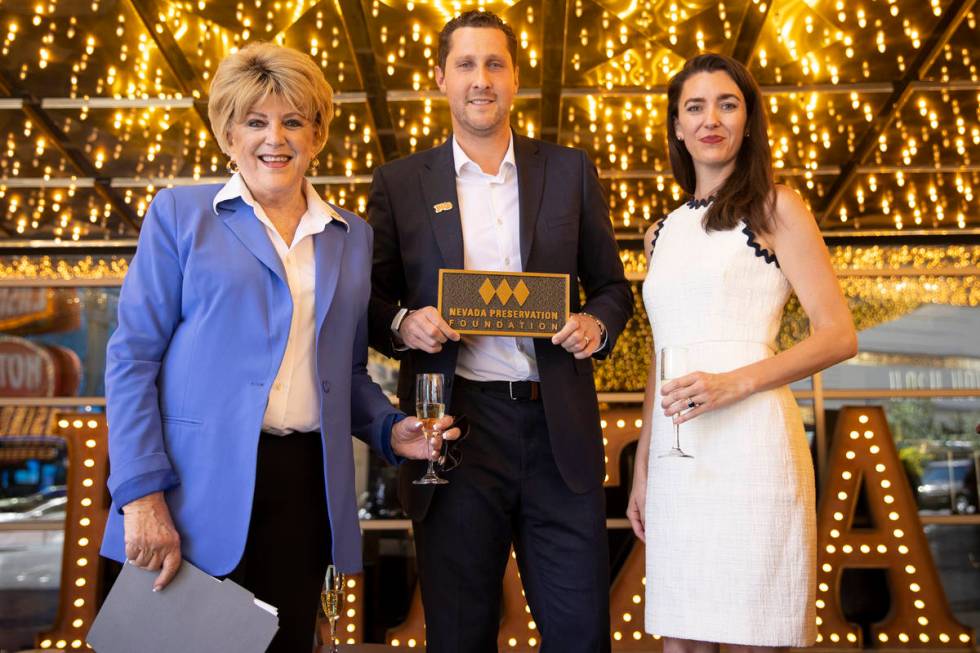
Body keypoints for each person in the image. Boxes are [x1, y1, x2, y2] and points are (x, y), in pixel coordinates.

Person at [100, 42, 459, 653]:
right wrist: (140, 495)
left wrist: (390, 430)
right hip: (187, 489)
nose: (276, 138)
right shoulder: (180, 215)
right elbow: (132, 359)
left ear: (316, 134)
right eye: (256, 122)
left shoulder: (351, 237)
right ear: (228, 135)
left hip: (301, 492)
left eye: (294, 121)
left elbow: (344, 373)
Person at [368, 10, 633, 653]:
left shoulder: (569, 171)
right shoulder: (402, 182)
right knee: (459, 636)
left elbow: (612, 289)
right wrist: (406, 322)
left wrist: (594, 326)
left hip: (557, 433)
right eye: (466, 64)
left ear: (515, 78)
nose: (480, 79)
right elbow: (368, 302)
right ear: (440, 79)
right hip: (454, 435)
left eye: (494, 64)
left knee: (581, 636)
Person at [626, 53, 857, 651]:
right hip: (679, 455)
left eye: (727, 104)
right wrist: (644, 466)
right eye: (694, 107)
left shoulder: (777, 207)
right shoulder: (660, 232)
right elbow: (664, 352)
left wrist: (735, 383)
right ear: (677, 126)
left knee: (759, 631)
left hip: (753, 446)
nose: (711, 119)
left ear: (749, 120)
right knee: (681, 637)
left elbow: (837, 333)